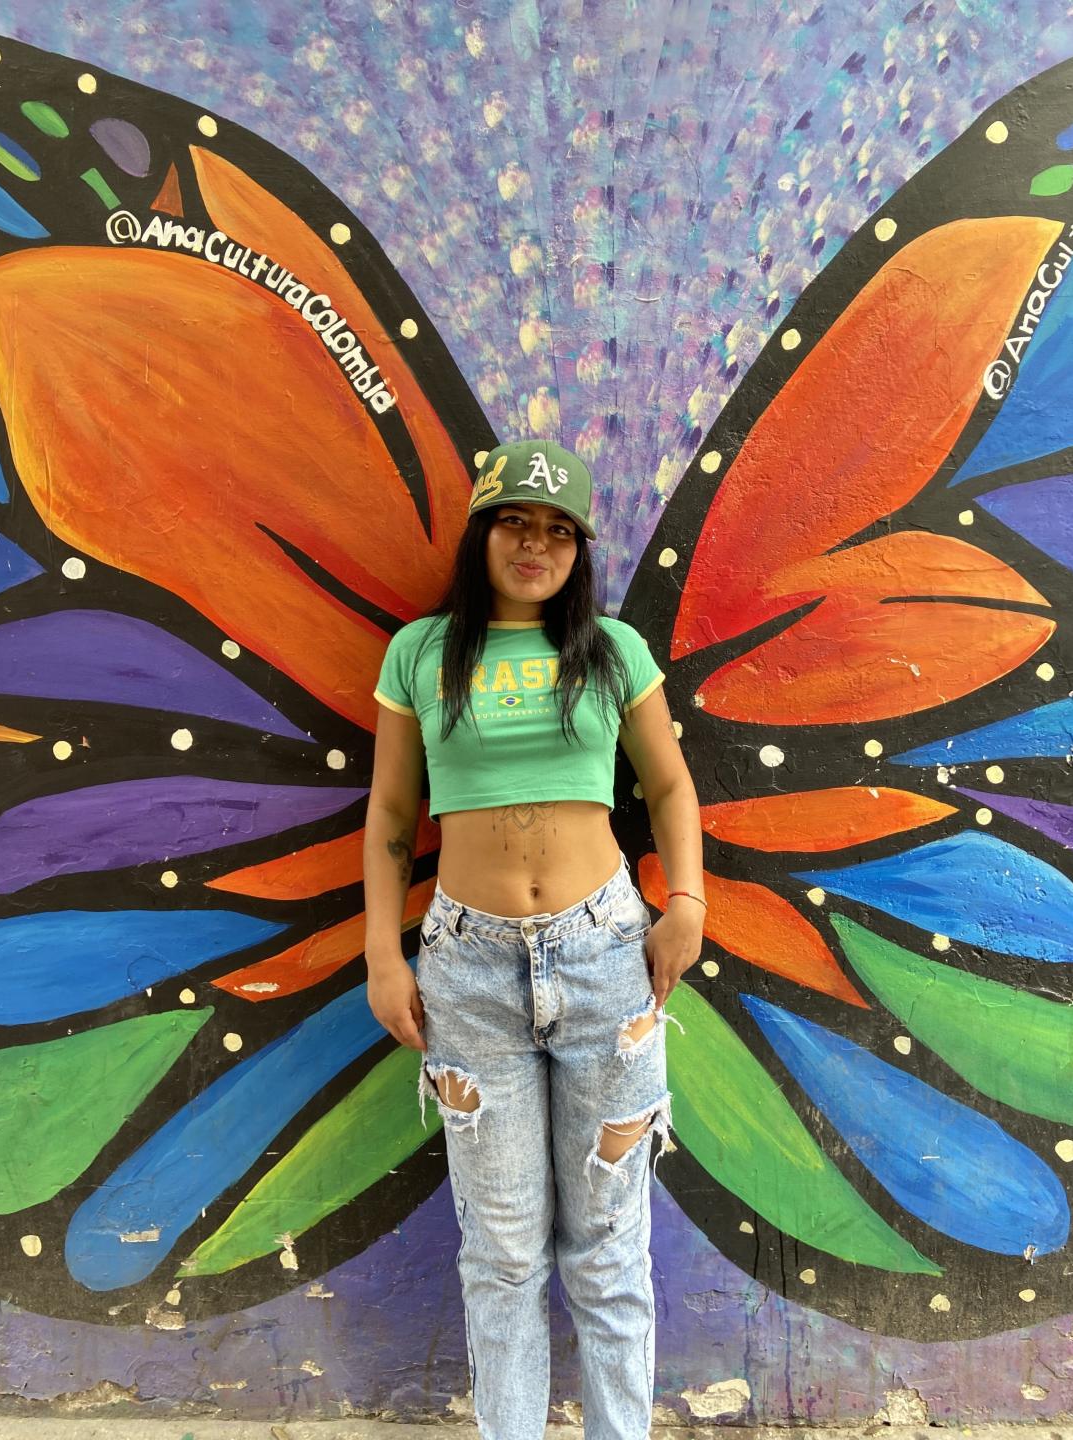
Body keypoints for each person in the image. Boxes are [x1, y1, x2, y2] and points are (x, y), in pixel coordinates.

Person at [365, 439, 704, 1440]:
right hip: (466, 969)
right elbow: (391, 815)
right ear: (482, 533)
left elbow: (671, 784)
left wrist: (687, 901)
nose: (536, 544)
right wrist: (383, 953)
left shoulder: (613, 651)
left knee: (608, 1248)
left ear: (579, 551)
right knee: (504, 1254)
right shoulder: (421, 653)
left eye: (559, 531)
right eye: (516, 521)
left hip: (605, 957)